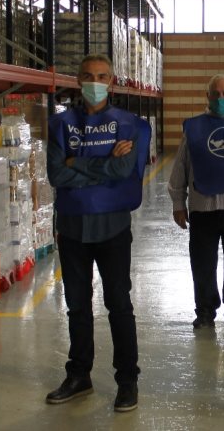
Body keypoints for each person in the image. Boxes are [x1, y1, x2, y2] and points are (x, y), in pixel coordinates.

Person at [44, 54, 151, 413]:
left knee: (119, 305)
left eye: (102, 76)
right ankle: (79, 375)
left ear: (112, 80)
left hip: (113, 229)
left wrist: (78, 163)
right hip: (73, 228)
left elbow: (126, 170)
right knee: (77, 306)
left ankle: (127, 380)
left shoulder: (129, 125)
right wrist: (103, 166)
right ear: (77, 79)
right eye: (88, 75)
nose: (95, 82)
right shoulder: (61, 124)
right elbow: (56, 175)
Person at [168, 74, 224, 331]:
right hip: (202, 209)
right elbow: (181, 167)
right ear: (207, 96)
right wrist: (177, 202)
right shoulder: (193, 129)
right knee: (203, 264)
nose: (220, 98)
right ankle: (205, 311)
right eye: (215, 94)